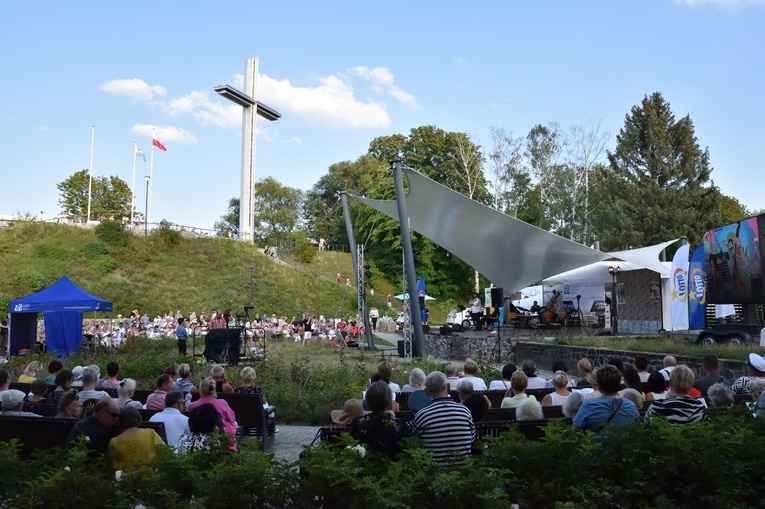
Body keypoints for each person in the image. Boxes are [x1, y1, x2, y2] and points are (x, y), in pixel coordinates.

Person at [412, 371, 475, 463]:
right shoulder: (465, 411)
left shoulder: (422, 415)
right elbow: (471, 440)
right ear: (448, 387)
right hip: (463, 471)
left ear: (426, 392)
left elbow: (416, 444)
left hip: (434, 473)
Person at [573, 365, 640, 432]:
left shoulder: (589, 405)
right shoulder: (631, 405)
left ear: (599, 385)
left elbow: (575, 430)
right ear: (619, 383)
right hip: (626, 442)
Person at [350, 381, 404, 456]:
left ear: (367, 401)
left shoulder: (357, 422)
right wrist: (393, 419)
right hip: (391, 466)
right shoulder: (399, 424)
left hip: (364, 464)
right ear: (389, 401)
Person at [109, 406, 165, 472]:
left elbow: (115, 466)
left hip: (126, 481)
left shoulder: (114, 442)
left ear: (120, 421)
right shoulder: (150, 433)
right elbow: (164, 453)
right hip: (151, 479)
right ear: (138, 417)